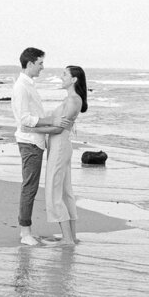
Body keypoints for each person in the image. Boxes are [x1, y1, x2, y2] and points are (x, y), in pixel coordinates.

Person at [11, 47, 70, 246]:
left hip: (34, 141)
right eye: (40, 63)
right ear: (29, 64)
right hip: (29, 142)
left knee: (31, 187)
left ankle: (26, 230)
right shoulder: (21, 87)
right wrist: (50, 121)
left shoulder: (28, 85)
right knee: (30, 187)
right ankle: (25, 232)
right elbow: (24, 119)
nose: (42, 67)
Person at [44, 65, 87, 245]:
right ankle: (71, 236)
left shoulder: (73, 100)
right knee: (64, 192)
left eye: (64, 74)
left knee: (55, 192)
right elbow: (57, 123)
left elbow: (59, 127)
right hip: (59, 145)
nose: (61, 77)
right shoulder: (70, 99)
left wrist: (30, 127)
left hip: (60, 146)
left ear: (74, 79)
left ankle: (68, 239)